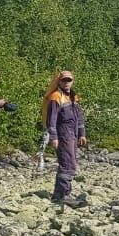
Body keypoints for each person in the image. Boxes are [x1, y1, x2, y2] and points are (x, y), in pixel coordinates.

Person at [43, 70, 87, 206]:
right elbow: (52, 120)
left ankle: (60, 194)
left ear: (72, 81)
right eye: (64, 80)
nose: (67, 83)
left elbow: (79, 117)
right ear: (59, 81)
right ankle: (62, 195)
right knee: (67, 164)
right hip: (63, 133)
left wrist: (82, 133)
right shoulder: (56, 97)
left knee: (70, 163)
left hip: (73, 133)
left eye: (69, 80)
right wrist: (54, 137)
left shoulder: (73, 96)